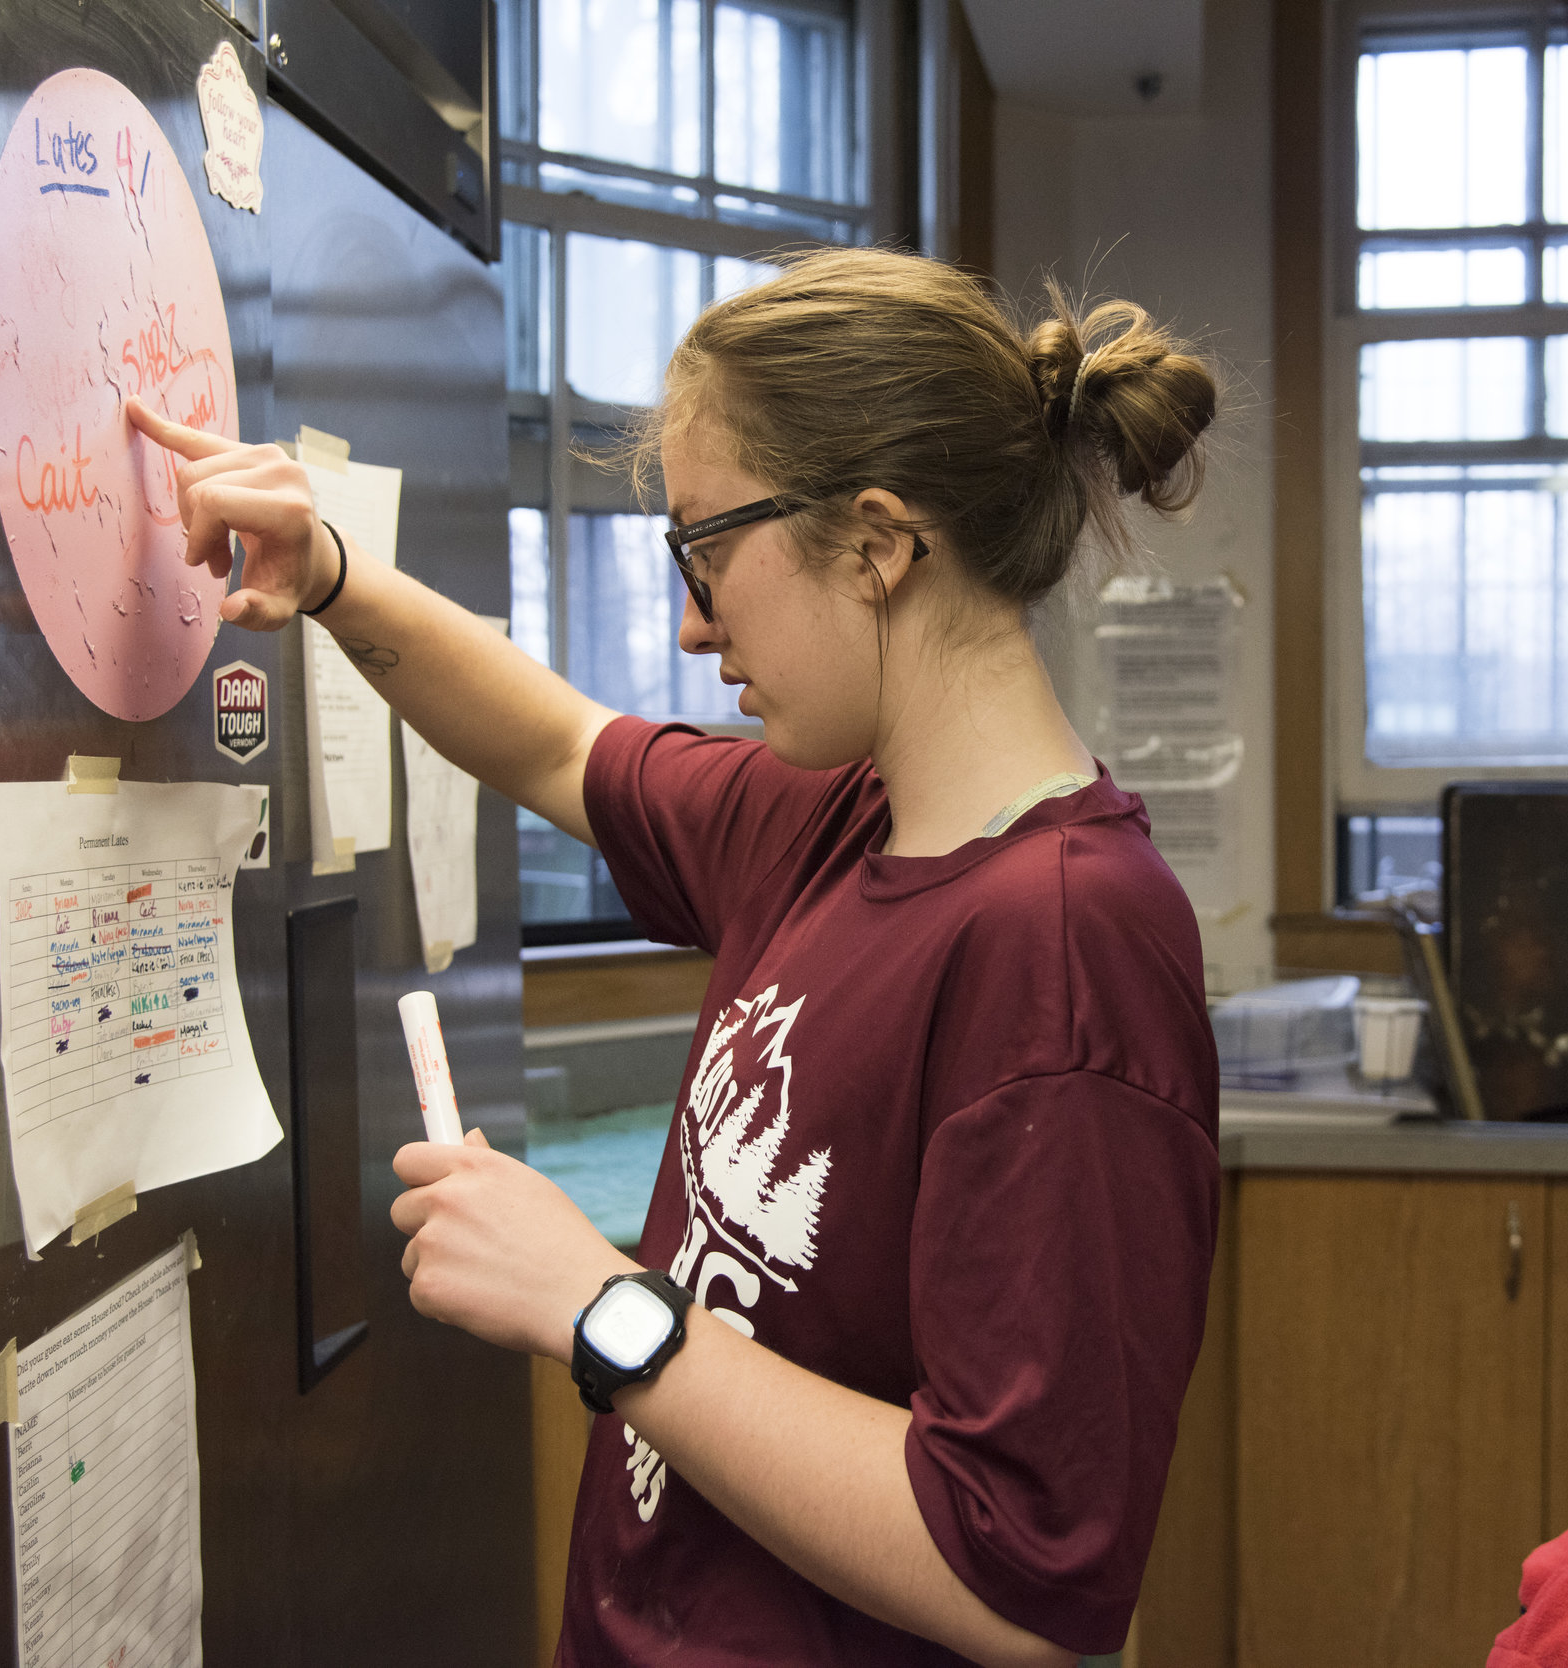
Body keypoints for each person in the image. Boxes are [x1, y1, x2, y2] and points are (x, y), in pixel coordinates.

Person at [125, 247, 1223, 1668]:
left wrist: (600, 1306)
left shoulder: (1068, 944)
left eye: (707, 549)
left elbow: (1026, 1585)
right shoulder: (836, 817)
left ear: (879, 541)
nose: (695, 622)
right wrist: (330, 575)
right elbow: (557, 742)